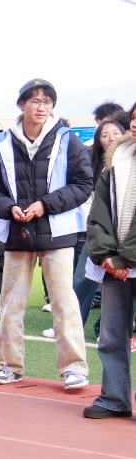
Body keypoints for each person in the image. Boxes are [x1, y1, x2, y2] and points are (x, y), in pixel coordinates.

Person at [0, 79, 93, 390]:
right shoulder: (2, 143)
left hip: (58, 232)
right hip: (16, 231)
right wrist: (9, 208)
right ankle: (8, 365)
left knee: (64, 301)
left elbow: (83, 184)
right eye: (35, 100)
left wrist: (46, 205)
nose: (41, 106)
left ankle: (74, 368)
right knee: (11, 303)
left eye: (47, 101)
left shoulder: (67, 139)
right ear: (21, 105)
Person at [83, 116, 136, 419]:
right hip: (115, 261)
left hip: (123, 259)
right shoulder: (117, 160)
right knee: (112, 333)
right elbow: (98, 213)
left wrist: (125, 258)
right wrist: (106, 255)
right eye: (134, 118)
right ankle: (114, 397)